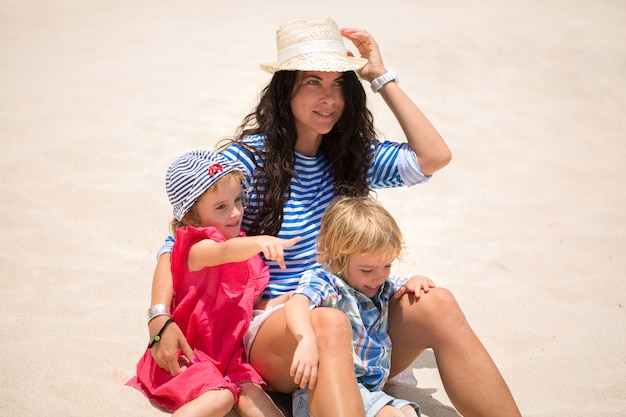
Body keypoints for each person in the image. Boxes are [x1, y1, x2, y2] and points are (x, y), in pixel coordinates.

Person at [148, 17, 522, 417]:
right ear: (285, 90)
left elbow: (433, 157)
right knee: (329, 322)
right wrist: (159, 320)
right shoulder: (249, 159)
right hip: (281, 330)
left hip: (356, 314)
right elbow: (180, 241)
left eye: (338, 83)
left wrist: (380, 77)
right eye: (313, 82)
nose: (329, 98)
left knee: (438, 304)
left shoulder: (350, 155)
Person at [127, 150, 298, 417]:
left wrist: (284, 300)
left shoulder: (240, 245)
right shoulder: (197, 248)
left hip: (227, 356)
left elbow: (247, 301)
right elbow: (225, 253)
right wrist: (260, 241)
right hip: (188, 355)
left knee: (252, 393)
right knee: (222, 397)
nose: (236, 212)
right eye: (221, 207)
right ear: (191, 217)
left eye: (238, 200)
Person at [285, 195, 435, 417]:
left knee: (408, 412)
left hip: (370, 390)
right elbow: (297, 302)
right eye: (367, 270)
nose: (378, 276)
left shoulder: (381, 285)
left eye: (387, 265)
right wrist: (305, 338)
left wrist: (418, 278)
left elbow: (403, 284)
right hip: (328, 391)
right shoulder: (326, 282)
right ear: (337, 257)